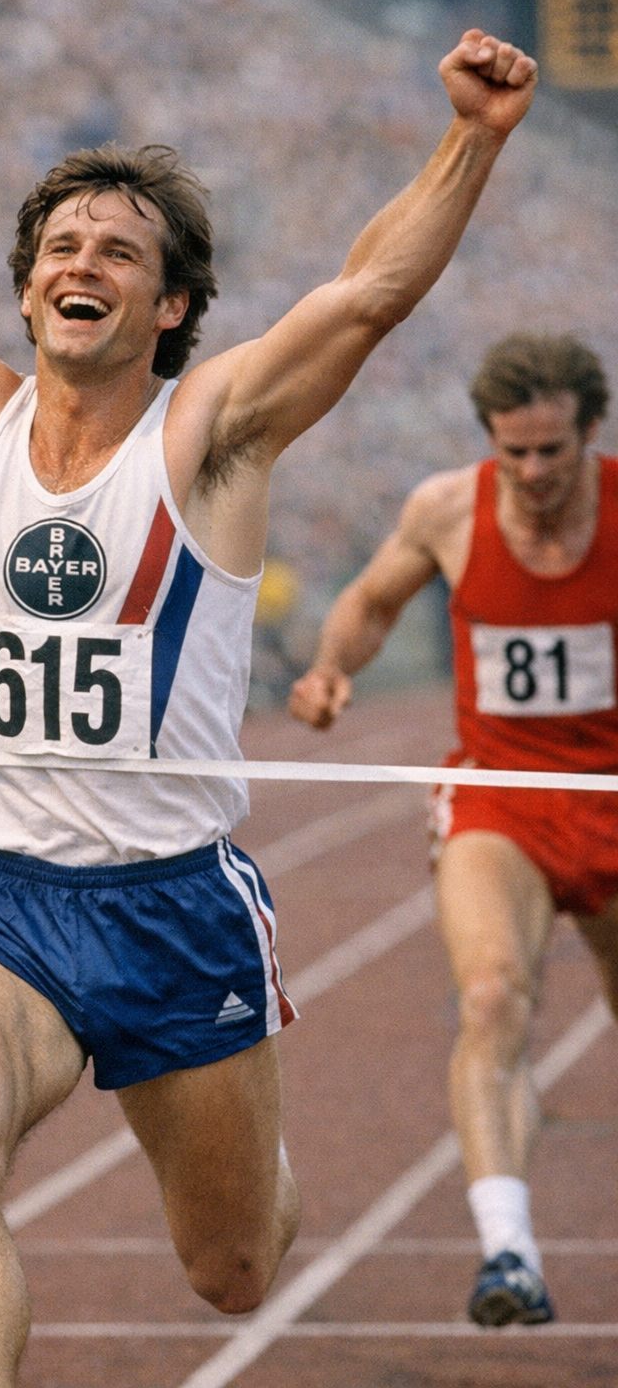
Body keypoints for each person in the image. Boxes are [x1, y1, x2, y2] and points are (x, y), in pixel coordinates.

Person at [0, 0, 536, 1387]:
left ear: (168, 307)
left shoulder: (211, 436)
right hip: (2, 895)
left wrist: (469, 139)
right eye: (62, 247)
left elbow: (365, 296)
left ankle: (254, 1158)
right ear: (26, 291)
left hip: (174, 905)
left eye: (121, 252)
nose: (84, 263)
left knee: (232, 1270)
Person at [290, 331, 618, 1328]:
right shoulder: (447, 509)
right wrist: (331, 668)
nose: (533, 472)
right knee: (490, 996)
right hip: (499, 795)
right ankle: (507, 1250)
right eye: (513, 452)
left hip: (611, 790)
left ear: (590, 434)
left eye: (552, 451)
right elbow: (370, 600)